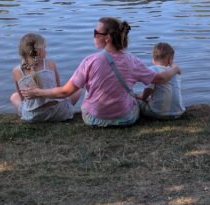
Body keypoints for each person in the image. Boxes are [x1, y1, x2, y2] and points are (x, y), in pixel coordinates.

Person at [20, 17, 180, 127]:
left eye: (96, 33)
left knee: (85, 89)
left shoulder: (89, 61)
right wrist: (174, 69)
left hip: (93, 119)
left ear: (107, 38)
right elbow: (160, 78)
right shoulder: (132, 61)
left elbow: (65, 92)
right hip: (126, 119)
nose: (94, 36)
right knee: (134, 98)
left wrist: (38, 92)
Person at [10, 33, 79, 122]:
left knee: (14, 96)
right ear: (39, 51)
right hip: (59, 112)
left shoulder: (16, 71)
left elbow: (23, 99)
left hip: (33, 117)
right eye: (44, 48)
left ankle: (28, 114)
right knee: (77, 89)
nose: (46, 50)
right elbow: (58, 90)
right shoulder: (50, 63)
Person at [139, 42, 185, 120]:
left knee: (138, 102)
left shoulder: (152, 70)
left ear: (153, 59)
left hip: (158, 113)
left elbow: (149, 89)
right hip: (178, 112)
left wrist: (143, 97)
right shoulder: (175, 72)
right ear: (170, 60)